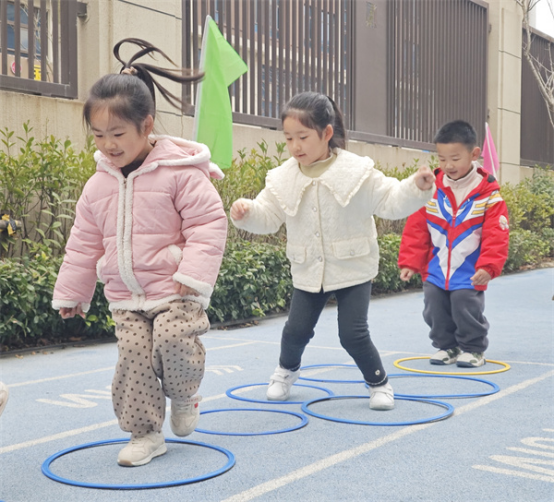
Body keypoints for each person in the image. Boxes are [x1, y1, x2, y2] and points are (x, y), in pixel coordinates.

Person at [52, 39, 227, 466]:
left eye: (117, 134)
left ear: (146, 126)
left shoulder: (181, 174)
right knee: (133, 359)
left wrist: (193, 274)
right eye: (98, 135)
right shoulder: (97, 185)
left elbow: (208, 223)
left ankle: (184, 396)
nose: (107, 144)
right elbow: (83, 242)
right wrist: (73, 293)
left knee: (172, 339)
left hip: (175, 289)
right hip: (126, 296)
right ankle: (145, 433)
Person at [231, 92, 435, 410]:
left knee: (352, 333)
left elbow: (391, 200)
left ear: (326, 133)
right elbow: (268, 216)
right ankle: (286, 371)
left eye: (303, 137)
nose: (295, 146)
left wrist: (416, 187)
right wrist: (247, 212)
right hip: (308, 267)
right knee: (296, 330)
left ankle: (379, 383)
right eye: (288, 138)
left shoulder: (357, 171)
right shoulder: (283, 177)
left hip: (352, 266)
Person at [398, 120, 509, 368]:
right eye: (442, 159)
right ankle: (447, 346)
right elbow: (416, 229)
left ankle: (473, 349)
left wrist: (488, 267)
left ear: (474, 154)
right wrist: (410, 263)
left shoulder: (489, 195)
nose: (448, 165)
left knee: (465, 305)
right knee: (433, 307)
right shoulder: (430, 189)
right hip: (435, 268)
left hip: (469, 270)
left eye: (455, 159)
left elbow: (496, 235)